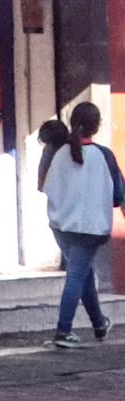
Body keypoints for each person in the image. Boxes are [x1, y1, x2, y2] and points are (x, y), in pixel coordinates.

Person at [39, 102, 120, 349]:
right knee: (77, 274)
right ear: (97, 126)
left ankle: (99, 324)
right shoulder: (104, 155)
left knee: (82, 273)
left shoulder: (58, 152)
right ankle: (63, 330)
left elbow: (44, 185)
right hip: (90, 228)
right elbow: (118, 196)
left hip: (61, 225)